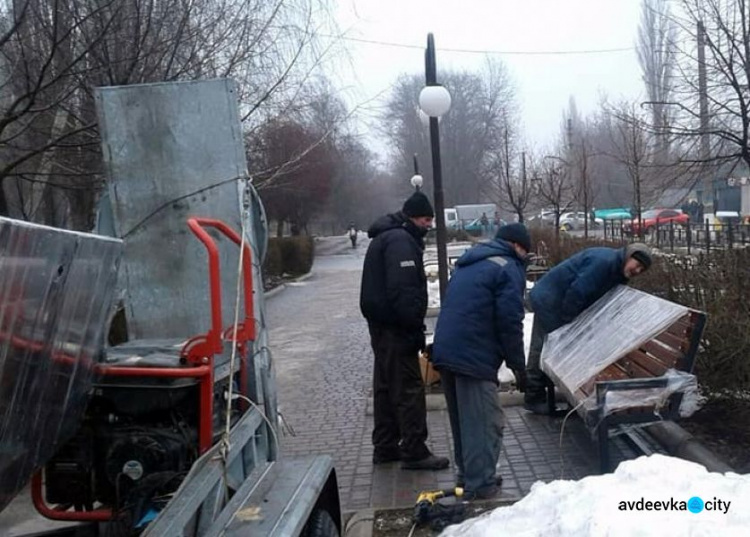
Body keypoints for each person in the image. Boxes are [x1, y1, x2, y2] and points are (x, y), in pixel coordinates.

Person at [431, 223, 530, 500]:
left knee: (465, 421)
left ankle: (470, 475)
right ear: (517, 246)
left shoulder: (472, 262)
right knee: (485, 421)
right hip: (472, 352)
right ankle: (480, 484)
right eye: (526, 251)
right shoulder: (508, 267)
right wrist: (518, 365)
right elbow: (510, 320)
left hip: (447, 349)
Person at [359, 191, 449, 470]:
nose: (429, 225)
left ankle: (385, 445)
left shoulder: (387, 237)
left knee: (385, 386)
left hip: (381, 326)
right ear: (411, 217)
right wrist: (414, 329)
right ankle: (414, 449)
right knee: (409, 388)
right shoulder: (400, 242)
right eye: (425, 219)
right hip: (397, 328)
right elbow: (404, 291)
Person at [523, 243, 653, 414]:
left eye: (641, 269)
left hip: (557, 302)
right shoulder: (604, 263)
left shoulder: (616, 269)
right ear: (628, 257)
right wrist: (570, 324)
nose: (637, 271)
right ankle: (533, 397)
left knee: (552, 348)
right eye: (637, 265)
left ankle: (547, 395)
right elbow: (577, 291)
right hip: (550, 303)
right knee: (542, 348)